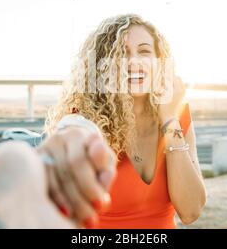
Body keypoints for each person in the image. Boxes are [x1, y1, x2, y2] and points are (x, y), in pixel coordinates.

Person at [43, 14, 207, 229]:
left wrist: (169, 119)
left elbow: (190, 211)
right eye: (120, 54)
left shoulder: (177, 111)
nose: (133, 62)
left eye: (145, 51)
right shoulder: (83, 119)